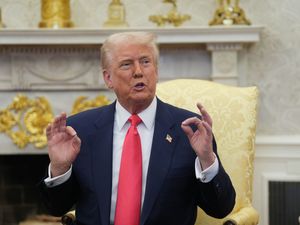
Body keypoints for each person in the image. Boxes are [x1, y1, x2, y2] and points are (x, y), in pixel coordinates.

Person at [39, 31, 235, 225]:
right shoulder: (80, 130)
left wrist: (207, 159)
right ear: (108, 78)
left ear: (156, 72)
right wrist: (60, 167)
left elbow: (220, 209)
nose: (139, 71)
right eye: (126, 64)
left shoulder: (190, 130)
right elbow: (57, 208)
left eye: (145, 62)